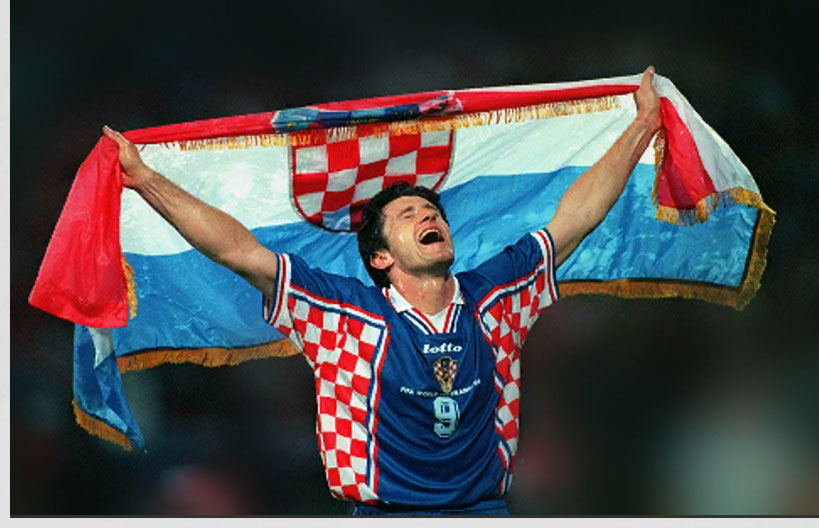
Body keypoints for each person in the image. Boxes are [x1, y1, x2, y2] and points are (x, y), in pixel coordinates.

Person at [103, 66, 663, 515]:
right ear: (380, 257)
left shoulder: (497, 293)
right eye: (409, 214)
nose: (428, 215)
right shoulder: (342, 313)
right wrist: (148, 179)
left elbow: (577, 217)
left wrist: (640, 127)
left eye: (432, 210)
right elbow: (239, 251)